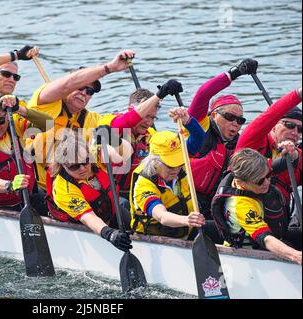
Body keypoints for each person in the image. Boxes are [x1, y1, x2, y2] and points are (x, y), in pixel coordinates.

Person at [27, 50, 136, 191]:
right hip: (42, 189)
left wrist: (154, 101)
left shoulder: (93, 119)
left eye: (89, 92)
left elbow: (123, 122)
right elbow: (68, 83)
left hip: (79, 187)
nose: (84, 93)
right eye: (80, 87)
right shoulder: (45, 104)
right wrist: (109, 68)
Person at [186, 58, 258, 217]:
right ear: (214, 115)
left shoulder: (239, 143)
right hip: (187, 199)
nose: (235, 124)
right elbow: (203, 94)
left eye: (240, 120)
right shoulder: (200, 126)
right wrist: (235, 72)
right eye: (229, 117)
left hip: (217, 204)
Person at [97, 81, 184, 209]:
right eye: (146, 116)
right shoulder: (109, 122)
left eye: (153, 118)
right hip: (106, 192)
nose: (149, 122)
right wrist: (160, 95)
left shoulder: (151, 135)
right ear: (130, 110)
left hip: (136, 191)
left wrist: (186, 121)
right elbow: (121, 123)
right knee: (124, 205)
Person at [129, 108, 212, 240]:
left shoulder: (179, 159)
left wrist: (187, 120)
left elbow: (200, 139)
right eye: (170, 165)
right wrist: (187, 220)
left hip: (187, 231)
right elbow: (161, 216)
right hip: (157, 239)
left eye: (179, 163)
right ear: (154, 161)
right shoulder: (143, 185)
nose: (176, 169)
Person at [46, 129, 134, 252]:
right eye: (74, 166)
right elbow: (88, 218)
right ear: (62, 165)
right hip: (86, 227)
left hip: (111, 211)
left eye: (85, 162)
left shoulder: (93, 155)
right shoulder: (63, 189)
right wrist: (110, 234)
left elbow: (124, 156)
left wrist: (114, 141)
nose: (83, 168)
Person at [211, 148, 301, 265]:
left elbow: (288, 162)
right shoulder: (240, 206)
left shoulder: (254, 172)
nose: (267, 183)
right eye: (259, 182)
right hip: (254, 255)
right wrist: (296, 256)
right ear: (240, 183)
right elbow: (265, 239)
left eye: (268, 175)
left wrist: (292, 152)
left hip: (277, 233)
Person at [235, 88, 302, 211]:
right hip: (245, 215)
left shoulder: (298, 154)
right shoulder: (252, 141)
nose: (295, 133)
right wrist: (298, 94)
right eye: (289, 125)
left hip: (279, 218)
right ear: (274, 125)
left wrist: (294, 157)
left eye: (300, 129)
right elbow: (271, 114)